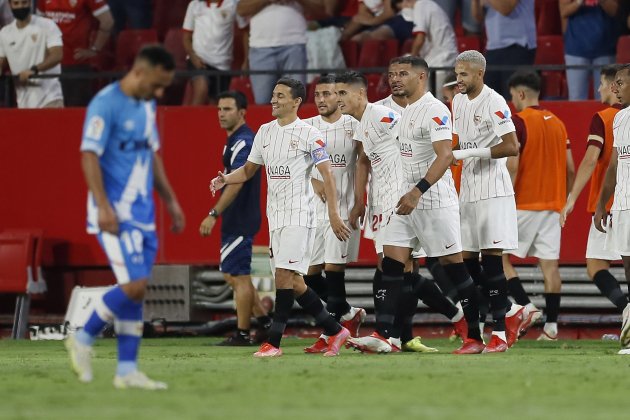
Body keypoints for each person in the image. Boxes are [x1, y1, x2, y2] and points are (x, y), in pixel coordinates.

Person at [66, 45, 186, 389]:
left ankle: (126, 371)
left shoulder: (147, 106)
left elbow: (153, 154)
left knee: (137, 292)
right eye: (158, 85)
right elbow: (89, 155)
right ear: (140, 71)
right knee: (134, 285)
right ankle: (83, 336)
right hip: (115, 212)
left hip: (143, 213)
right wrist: (103, 205)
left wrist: (171, 201)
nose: (160, 93)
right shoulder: (105, 104)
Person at [210, 78, 352, 357]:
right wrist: (225, 178)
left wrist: (334, 215)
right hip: (275, 217)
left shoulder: (309, 134)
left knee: (284, 277)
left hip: (300, 215)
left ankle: (273, 343)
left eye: (280, 96)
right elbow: (249, 170)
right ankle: (336, 330)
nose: (273, 100)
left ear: (296, 101)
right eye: (273, 95)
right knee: (294, 282)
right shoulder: (264, 132)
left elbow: (327, 176)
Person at [336, 70, 472, 354]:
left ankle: (461, 322)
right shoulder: (361, 123)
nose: (337, 100)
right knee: (394, 268)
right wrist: (362, 200)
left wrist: (419, 183)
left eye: (342, 93)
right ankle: (392, 335)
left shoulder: (382, 115)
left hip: (409, 197)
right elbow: (363, 160)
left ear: (360, 93)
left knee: (427, 266)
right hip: (386, 201)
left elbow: (411, 135)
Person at [451, 50, 526, 352]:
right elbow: (458, 141)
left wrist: (468, 153)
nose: (459, 80)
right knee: (466, 265)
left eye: (464, 74)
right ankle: (505, 312)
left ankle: (499, 334)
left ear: (479, 74)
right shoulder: (457, 101)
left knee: (492, 263)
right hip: (467, 191)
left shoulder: (494, 101)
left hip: (493, 190)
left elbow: (511, 146)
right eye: (457, 74)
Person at [503, 71, 576, 341]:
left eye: (512, 96)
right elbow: (570, 168)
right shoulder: (558, 123)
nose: (512, 101)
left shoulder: (518, 121)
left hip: (523, 202)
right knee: (550, 267)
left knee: (497, 257)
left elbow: (513, 163)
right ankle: (551, 328)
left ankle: (526, 305)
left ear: (520, 94)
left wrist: (506, 195)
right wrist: (566, 199)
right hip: (553, 205)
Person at [299, 75, 366, 354]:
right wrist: (313, 182)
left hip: (343, 208)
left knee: (333, 270)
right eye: (318, 95)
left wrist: (359, 202)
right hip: (314, 212)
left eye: (327, 94)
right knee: (310, 275)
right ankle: (349, 314)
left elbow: (363, 163)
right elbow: (299, 166)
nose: (322, 100)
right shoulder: (306, 127)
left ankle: (332, 334)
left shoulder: (354, 125)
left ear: (339, 97)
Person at [199, 90, 271, 346]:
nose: (221, 114)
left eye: (227, 109)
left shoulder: (244, 141)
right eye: (219, 109)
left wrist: (213, 213)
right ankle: (264, 323)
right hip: (239, 216)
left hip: (240, 216)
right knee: (234, 275)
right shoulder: (234, 141)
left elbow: (238, 182)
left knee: (237, 275)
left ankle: (242, 333)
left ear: (242, 113)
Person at [561, 65, 629, 318]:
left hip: (613, 203)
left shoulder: (604, 118)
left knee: (596, 265)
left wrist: (572, 199)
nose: (600, 88)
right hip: (618, 201)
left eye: (602, 83)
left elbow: (591, 160)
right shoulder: (622, 118)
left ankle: (627, 313)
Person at [593, 64, 630, 355]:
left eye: (620, 83)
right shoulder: (619, 119)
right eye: (614, 83)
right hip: (623, 204)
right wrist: (601, 204)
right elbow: (614, 165)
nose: (614, 88)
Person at [237, 0, 319, 104]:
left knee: (295, 101)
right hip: (261, 48)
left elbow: (321, 9)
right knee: (263, 103)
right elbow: (241, 9)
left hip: (294, 46)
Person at [37, 0, 114, 106]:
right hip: (51, 65)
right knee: (51, 115)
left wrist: (95, 49)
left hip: (76, 65)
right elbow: (39, 22)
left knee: (75, 113)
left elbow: (107, 21)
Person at [0, 0, 64, 108]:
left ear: (30, 3)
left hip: (50, 99)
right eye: (16, 3)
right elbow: (2, 61)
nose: (20, 6)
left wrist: (34, 70)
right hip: (22, 102)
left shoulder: (47, 25)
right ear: (10, 5)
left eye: (24, 3)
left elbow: (57, 55)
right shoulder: (4, 33)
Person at [182, 0, 247, 105]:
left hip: (222, 64)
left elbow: (245, 31)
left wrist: (246, 60)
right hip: (199, 60)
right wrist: (193, 56)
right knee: (201, 89)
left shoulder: (233, 4)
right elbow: (186, 37)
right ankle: (192, 120)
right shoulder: (194, 5)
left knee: (216, 104)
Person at [471, 0, 536, 99]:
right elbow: (478, 17)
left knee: (513, 100)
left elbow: (506, 8)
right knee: (491, 102)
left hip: (518, 46)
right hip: (493, 47)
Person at [560, 0, 619, 100]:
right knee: (576, 99)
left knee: (605, 99)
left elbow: (615, 11)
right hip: (576, 50)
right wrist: (579, 2)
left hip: (604, 48)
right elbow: (563, 11)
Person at [409, 0, 458, 93]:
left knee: (436, 102)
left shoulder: (421, 4)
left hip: (442, 62)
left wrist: (410, 61)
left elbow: (420, 39)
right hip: (442, 60)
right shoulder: (429, 4)